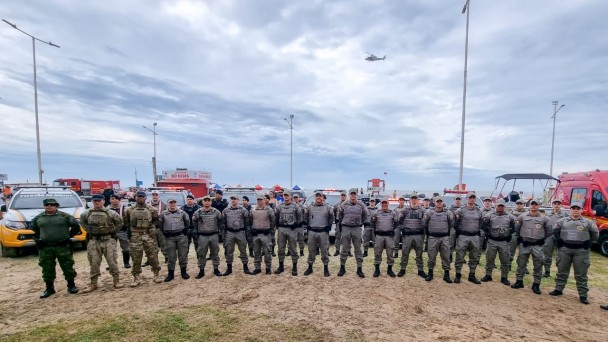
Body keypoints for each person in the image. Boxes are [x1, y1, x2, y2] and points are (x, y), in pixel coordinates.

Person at [549, 202, 599, 304]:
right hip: (565, 250)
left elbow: (595, 235)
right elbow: (555, 232)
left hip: (581, 251)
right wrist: (559, 240)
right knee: (562, 270)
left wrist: (588, 242)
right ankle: (558, 289)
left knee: (581, 274)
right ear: (570, 210)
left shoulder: (588, 223)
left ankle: (583, 295)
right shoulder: (562, 221)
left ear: (581, 210)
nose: (575, 210)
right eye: (573, 208)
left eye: (578, 208)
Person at [31, 198, 80, 298]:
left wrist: (67, 236)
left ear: (56, 206)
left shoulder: (65, 216)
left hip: (62, 246)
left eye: (52, 204)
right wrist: (43, 237)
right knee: (47, 268)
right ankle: (49, 288)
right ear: (44, 206)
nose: (49, 206)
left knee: (67, 266)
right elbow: (34, 229)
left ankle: (71, 286)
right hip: (46, 247)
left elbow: (76, 227)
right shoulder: (38, 218)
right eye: (47, 204)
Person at [80, 194, 124, 293]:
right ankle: (93, 283)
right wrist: (91, 230)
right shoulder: (87, 213)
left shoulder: (111, 213)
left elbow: (120, 222)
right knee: (94, 262)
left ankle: (116, 281)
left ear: (103, 201)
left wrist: (111, 231)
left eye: (99, 200)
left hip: (108, 240)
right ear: (92, 201)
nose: (96, 202)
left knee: (112, 261)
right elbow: (83, 223)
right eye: (94, 200)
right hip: (94, 240)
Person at [510, 199, 551, 294]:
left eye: (536, 204)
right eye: (532, 204)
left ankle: (536, 284)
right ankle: (519, 281)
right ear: (529, 205)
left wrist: (541, 239)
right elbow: (517, 228)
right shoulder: (522, 217)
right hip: (525, 244)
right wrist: (521, 237)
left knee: (538, 264)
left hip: (537, 245)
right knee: (521, 263)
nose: (534, 206)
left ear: (539, 206)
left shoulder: (545, 218)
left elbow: (549, 231)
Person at [124, 191, 163, 287]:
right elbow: (126, 223)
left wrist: (151, 231)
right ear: (135, 197)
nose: (140, 198)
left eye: (142, 196)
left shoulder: (152, 209)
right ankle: (136, 277)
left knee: (153, 256)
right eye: (138, 196)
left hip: (148, 236)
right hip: (135, 236)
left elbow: (156, 221)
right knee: (136, 257)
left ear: (145, 198)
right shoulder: (129, 210)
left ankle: (156, 275)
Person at [481, 199, 515, 285]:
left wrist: (509, 234)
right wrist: (488, 233)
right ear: (496, 206)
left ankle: (504, 277)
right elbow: (483, 225)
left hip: (504, 242)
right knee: (490, 259)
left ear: (504, 207)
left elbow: (514, 227)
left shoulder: (510, 217)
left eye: (502, 206)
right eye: (498, 206)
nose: (500, 207)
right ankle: (488, 275)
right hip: (492, 240)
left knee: (505, 260)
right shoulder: (489, 215)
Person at [453, 193, 484, 284]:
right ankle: (458, 275)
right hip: (463, 236)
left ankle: (472, 275)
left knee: (474, 256)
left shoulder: (479, 211)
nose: (472, 199)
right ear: (467, 199)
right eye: (470, 197)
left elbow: (481, 222)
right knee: (460, 255)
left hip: (475, 236)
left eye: (473, 198)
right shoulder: (460, 210)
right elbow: (455, 223)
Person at [336, 188, 368, 278]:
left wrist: (360, 222)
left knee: (358, 249)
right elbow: (340, 216)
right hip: (346, 228)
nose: (353, 195)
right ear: (349, 195)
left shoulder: (361, 205)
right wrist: (344, 224)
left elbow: (365, 215)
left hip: (357, 228)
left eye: (354, 194)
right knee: (344, 249)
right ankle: (342, 267)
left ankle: (359, 269)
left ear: (357, 194)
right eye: (351, 194)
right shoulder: (343, 204)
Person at [158, 197, 191, 282]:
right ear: (168, 204)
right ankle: (170, 274)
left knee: (183, 255)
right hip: (169, 238)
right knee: (171, 256)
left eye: (174, 202)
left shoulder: (182, 213)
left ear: (176, 203)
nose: (172, 204)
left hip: (181, 237)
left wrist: (185, 231)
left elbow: (188, 223)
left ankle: (183, 272)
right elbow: (160, 224)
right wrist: (164, 232)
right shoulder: (163, 214)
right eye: (170, 202)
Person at [423, 197, 454, 283]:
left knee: (446, 256)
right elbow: (424, 223)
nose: (439, 203)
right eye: (437, 202)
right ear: (434, 202)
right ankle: (430, 273)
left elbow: (452, 224)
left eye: (440, 201)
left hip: (444, 237)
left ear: (443, 202)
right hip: (433, 238)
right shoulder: (429, 212)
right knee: (431, 257)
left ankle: (446, 274)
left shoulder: (448, 212)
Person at [303, 191, 334, 276]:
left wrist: (328, 227)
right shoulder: (310, 207)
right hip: (312, 232)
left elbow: (331, 218)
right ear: (315, 198)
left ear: (322, 197)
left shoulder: (328, 207)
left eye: (320, 196)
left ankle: (326, 268)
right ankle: (310, 267)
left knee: (324, 250)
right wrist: (308, 227)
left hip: (323, 232)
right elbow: (305, 218)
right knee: (311, 250)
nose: (318, 198)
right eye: (317, 196)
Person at [193, 196, 223, 278]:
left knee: (215, 253)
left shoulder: (216, 212)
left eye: (208, 201)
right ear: (202, 202)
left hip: (214, 235)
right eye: (205, 200)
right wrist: (196, 234)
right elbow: (194, 223)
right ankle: (201, 270)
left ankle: (216, 269)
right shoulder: (198, 212)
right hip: (202, 236)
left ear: (211, 202)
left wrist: (221, 234)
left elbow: (220, 223)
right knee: (202, 254)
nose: (207, 202)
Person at [397, 194, 427, 278]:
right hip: (408, 236)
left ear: (418, 200)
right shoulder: (405, 210)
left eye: (415, 199)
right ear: (410, 200)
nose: (414, 200)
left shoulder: (422, 210)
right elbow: (399, 221)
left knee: (419, 254)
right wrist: (404, 229)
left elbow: (426, 222)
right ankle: (402, 269)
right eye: (412, 199)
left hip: (418, 235)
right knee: (405, 253)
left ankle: (420, 270)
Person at [222, 195, 252, 276]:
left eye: (235, 199)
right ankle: (229, 268)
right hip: (229, 232)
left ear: (238, 200)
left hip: (240, 232)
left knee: (243, 250)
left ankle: (245, 267)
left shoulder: (243, 210)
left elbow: (247, 223)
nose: (233, 200)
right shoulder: (226, 210)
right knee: (229, 251)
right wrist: (223, 235)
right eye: (232, 199)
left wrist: (247, 235)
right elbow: (223, 224)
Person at [275, 191, 303, 276]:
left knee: (293, 248)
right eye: (284, 195)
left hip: (292, 229)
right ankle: (281, 266)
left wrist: (296, 225)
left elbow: (300, 217)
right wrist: (278, 226)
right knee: (281, 248)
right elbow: (276, 217)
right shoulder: (279, 206)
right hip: (282, 229)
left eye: (287, 195)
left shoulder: (295, 206)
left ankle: (294, 267)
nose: (286, 197)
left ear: (290, 197)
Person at [371, 199, 398, 277]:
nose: (384, 205)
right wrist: (376, 231)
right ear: (381, 204)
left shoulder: (393, 213)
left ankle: (390, 269)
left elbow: (396, 223)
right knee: (377, 253)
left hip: (389, 236)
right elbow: (372, 223)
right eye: (383, 203)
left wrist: (391, 230)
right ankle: (377, 270)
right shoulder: (376, 213)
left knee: (390, 253)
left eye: (386, 203)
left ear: (388, 203)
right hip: (379, 236)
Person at [250, 195, 276, 275]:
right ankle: (257, 268)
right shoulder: (253, 209)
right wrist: (253, 229)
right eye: (258, 200)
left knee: (267, 251)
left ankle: (268, 268)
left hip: (265, 234)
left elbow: (273, 221)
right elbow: (250, 220)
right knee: (256, 252)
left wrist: (269, 230)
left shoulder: (269, 209)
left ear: (264, 200)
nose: (259, 201)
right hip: (256, 234)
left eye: (261, 200)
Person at [543, 199, 569, 277]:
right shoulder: (547, 214)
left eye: (558, 204)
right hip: (549, 236)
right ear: (552, 205)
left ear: (561, 205)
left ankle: (560, 272)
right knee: (547, 254)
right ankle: (547, 271)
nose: (556, 205)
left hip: (560, 237)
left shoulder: (565, 215)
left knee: (561, 255)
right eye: (554, 204)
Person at [108, 194, 131, 269]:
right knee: (111, 248)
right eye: (112, 199)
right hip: (111, 231)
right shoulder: (106, 209)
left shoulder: (125, 209)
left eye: (115, 198)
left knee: (126, 247)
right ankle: (112, 263)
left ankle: (126, 263)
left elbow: (129, 218)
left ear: (119, 200)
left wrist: (126, 226)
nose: (113, 200)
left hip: (122, 231)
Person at [148, 190, 167, 264]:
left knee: (163, 244)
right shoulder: (147, 205)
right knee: (150, 245)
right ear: (151, 196)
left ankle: (167, 258)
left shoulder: (164, 205)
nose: (155, 196)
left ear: (159, 196)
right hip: (150, 228)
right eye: (153, 195)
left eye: (156, 195)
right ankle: (150, 260)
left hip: (160, 228)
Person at [508, 198, 527, 267]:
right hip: (514, 234)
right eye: (518, 204)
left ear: (523, 205)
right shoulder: (511, 212)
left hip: (523, 235)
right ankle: (508, 264)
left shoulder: (527, 213)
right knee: (511, 250)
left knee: (523, 252)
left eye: (521, 204)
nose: (519, 205)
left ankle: (522, 266)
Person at [333, 192, 347, 256]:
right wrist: (336, 221)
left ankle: (347, 251)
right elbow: (334, 212)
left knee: (346, 237)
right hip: (339, 222)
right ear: (340, 196)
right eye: (342, 195)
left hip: (346, 223)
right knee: (337, 237)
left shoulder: (348, 204)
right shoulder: (336, 205)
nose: (343, 196)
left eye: (344, 195)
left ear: (346, 196)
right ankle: (337, 250)